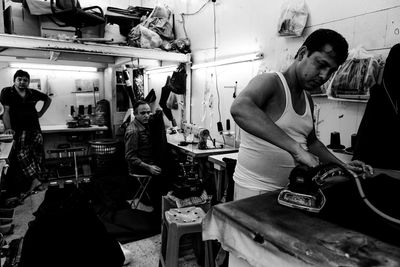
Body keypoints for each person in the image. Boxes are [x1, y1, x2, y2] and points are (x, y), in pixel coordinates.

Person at [230, 28, 373, 200]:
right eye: (321, 65)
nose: (324, 76)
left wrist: (343, 166)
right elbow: (240, 108)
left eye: (331, 71)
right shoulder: (271, 82)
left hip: (290, 192)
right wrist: (297, 150)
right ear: (302, 54)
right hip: (254, 192)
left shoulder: (307, 99)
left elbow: (312, 143)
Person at [0, 69, 52, 197]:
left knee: (37, 155)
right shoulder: (7, 91)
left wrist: (40, 113)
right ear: (14, 80)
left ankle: (38, 183)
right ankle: (34, 180)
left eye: (25, 80)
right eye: (20, 79)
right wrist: (8, 127)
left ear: (28, 82)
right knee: (21, 154)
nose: (22, 82)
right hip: (19, 129)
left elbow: (48, 99)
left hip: (34, 127)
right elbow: (6, 111)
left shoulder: (32, 93)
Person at [124, 100, 170, 215]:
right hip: (139, 167)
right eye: (143, 113)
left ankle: (165, 205)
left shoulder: (145, 124)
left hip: (148, 161)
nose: (147, 116)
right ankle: (160, 209)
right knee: (168, 175)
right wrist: (149, 167)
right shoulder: (133, 131)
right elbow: (130, 156)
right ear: (135, 114)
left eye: (148, 112)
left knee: (172, 165)